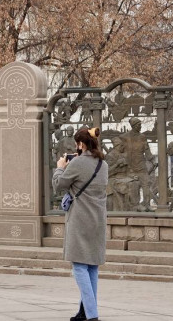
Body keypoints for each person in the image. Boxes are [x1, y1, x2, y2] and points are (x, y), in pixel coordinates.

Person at [53, 127, 108, 321]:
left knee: (78, 265)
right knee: (92, 266)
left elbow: (59, 185)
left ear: (81, 144)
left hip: (80, 220)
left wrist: (60, 167)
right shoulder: (103, 164)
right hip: (98, 220)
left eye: (77, 143)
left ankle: (92, 315)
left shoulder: (76, 163)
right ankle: (84, 311)